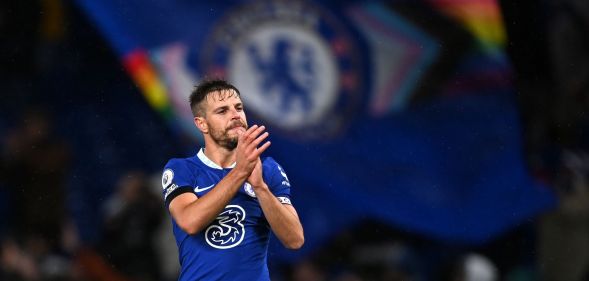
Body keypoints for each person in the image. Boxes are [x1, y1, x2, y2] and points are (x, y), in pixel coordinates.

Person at [161, 79, 304, 280]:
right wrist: (240, 173)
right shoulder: (182, 169)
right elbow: (189, 221)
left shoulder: (268, 169)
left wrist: (260, 187)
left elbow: (294, 239)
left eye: (238, 108)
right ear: (201, 123)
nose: (235, 115)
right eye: (222, 111)